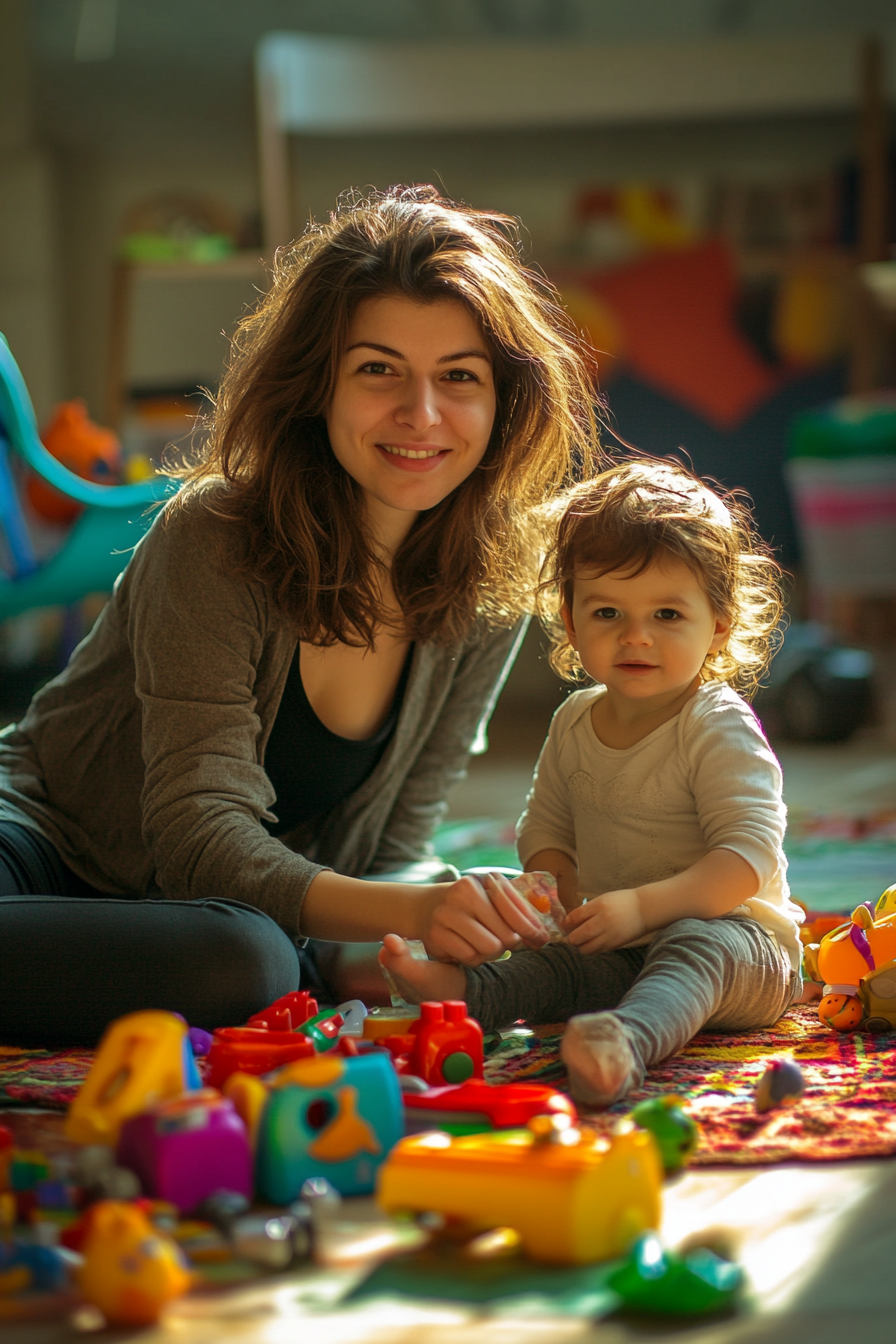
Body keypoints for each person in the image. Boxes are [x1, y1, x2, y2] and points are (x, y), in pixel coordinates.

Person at [0, 186, 600, 1046]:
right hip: (36, 852)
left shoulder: (491, 582)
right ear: (317, 385)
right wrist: (416, 906)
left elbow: (390, 850)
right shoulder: (213, 533)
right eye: (378, 370)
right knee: (249, 962)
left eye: (458, 378)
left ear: (504, 400)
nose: (420, 414)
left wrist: (448, 924)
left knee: (255, 958)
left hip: (204, 923)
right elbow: (199, 838)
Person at [381, 460, 804, 1106]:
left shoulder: (715, 725)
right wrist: (555, 896)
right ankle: (465, 995)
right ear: (572, 624)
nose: (636, 635)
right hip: (625, 945)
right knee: (556, 965)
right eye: (608, 612)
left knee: (696, 944)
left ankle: (623, 1043)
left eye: (667, 614)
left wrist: (640, 907)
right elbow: (545, 830)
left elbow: (745, 863)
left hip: (741, 948)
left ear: (717, 624)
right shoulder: (575, 721)